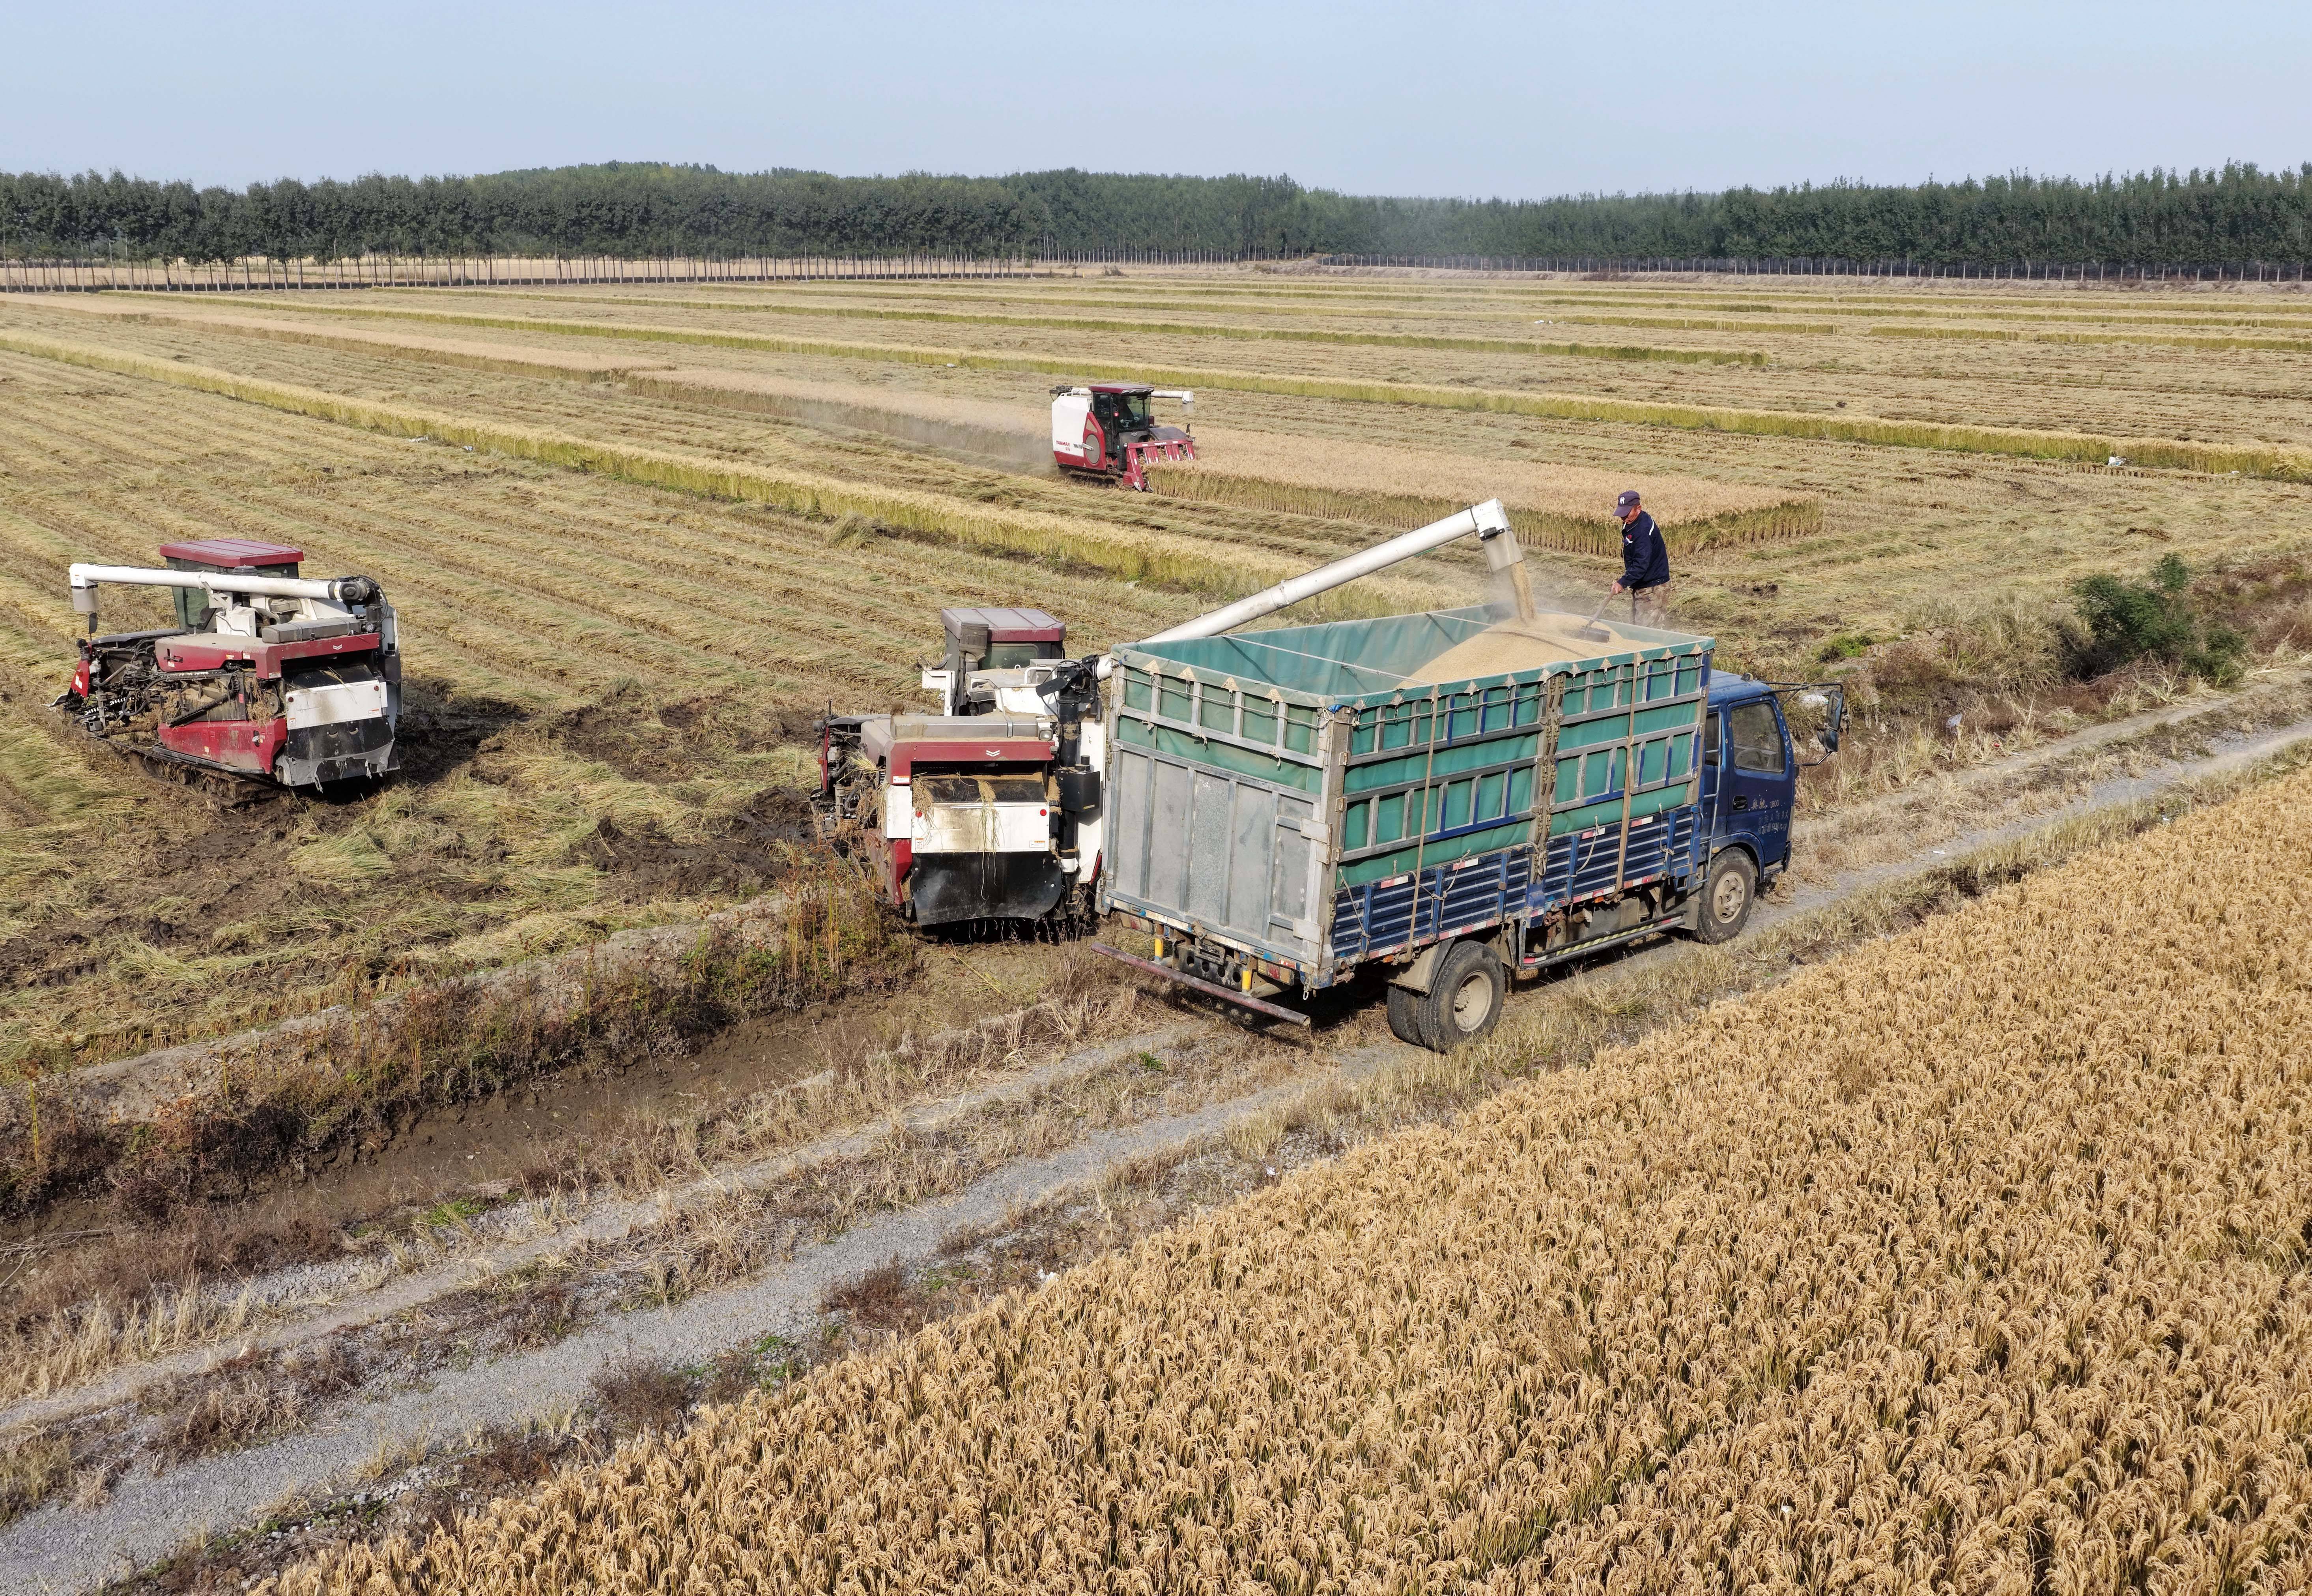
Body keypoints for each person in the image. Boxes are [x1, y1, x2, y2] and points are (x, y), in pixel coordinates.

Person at [1610, 490, 1670, 626]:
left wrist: (1623, 582)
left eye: (1627, 514)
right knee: (1636, 628)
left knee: (1647, 634)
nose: (1623, 518)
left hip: (1653, 588)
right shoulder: (1633, 522)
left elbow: (1641, 564)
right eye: (1621, 514)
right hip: (1642, 585)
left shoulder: (1643, 531)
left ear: (1638, 509)